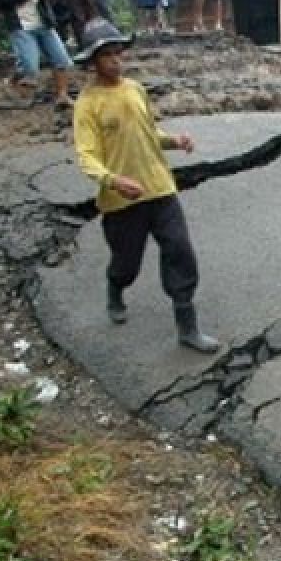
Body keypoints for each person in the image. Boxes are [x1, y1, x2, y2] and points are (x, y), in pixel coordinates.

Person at [72, 19, 220, 353]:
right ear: (92, 62)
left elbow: (148, 133)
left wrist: (174, 141)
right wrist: (113, 181)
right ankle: (115, 287)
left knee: (180, 252)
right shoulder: (87, 104)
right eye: (106, 56)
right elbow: (86, 157)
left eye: (117, 53)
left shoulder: (135, 88)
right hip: (122, 201)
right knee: (127, 264)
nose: (115, 61)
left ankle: (187, 326)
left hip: (160, 188)